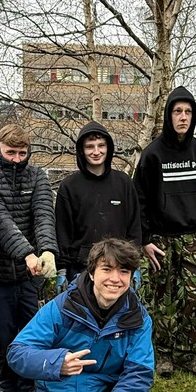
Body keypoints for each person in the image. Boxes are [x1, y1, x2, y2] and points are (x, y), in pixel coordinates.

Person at [7, 238, 167, 392]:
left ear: (131, 277)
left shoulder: (137, 318)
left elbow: (138, 375)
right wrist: (57, 363)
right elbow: (17, 352)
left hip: (107, 389)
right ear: (92, 273)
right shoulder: (61, 308)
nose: (115, 278)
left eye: (124, 271)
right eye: (107, 269)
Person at [0, 123, 58, 392]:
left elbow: (43, 215)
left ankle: (28, 383)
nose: (17, 159)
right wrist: (27, 254)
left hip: (27, 276)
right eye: (11, 152)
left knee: (30, 331)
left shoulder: (38, 178)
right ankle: (5, 385)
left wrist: (46, 250)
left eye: (22, 153)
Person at [133, 86, 196, 377]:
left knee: (195, 296)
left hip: (193, 236)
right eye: (177, 111)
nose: (183, 117)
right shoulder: (153, 154)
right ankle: (164, 354)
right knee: (162, 297)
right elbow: (139, 198)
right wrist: (144, 240)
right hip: (160, 238)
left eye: (188, 112)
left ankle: (187, 355)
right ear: (168, 115)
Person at [55, 121, 141, 282]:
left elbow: (134, 228)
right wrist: (62, 269)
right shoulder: (69, 186)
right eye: (90, 146)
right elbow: (62, 233)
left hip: (119, 267)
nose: (96, 151)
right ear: (81, 150)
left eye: (101, 145)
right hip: (81, 269)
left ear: (108, 148)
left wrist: (134, 265)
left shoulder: (124, 183)